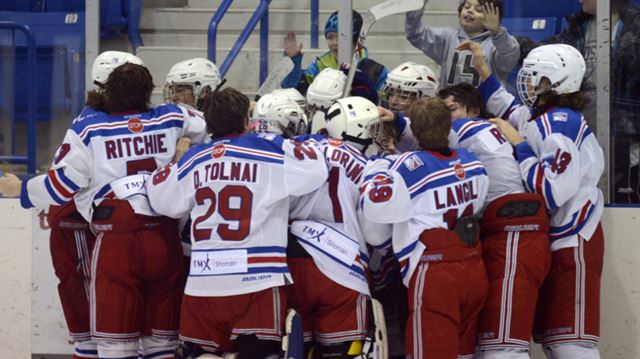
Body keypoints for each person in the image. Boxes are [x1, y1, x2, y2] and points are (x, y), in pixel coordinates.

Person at [0, 62, 210, 359]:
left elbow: (61, 186)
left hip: (117, 241)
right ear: (149, 93)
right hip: (165, 238)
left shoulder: (89, 127)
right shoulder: (172, 117)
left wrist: (20, 189)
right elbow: (216, 129)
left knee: (114, 346)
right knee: (161, 346)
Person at [145, 88, 328, 358]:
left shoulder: (194, 158)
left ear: (209, 124)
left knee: (199, 354)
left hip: (203, 283)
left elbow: (161, 199)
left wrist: (175, 160)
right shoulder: (270, 149)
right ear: (246, 121)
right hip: (258, 281)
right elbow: (317, 169)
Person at [473, 41, 605, 358]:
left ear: (554, 81)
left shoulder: (561, 125)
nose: (528, 82)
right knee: (555, 339)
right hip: (558, 238)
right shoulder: (544, 116)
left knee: (570, 343)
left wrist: (519, 145)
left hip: (575, 238)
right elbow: (507, 108)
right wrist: (483, 69)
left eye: (534, 77)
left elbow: (551, 191)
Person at [360, 96, 490, 358]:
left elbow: (374, 230)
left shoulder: (399, 169)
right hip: (474, 266)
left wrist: (380, 163)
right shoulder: (473, 161)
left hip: (435, 273)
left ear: (415, 131)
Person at [437, 78, 552, 359]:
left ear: (473, 111)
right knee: (493, 344)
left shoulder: (467, 127)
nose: (445, 119)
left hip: (515, 233)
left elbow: (426, 129)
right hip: (511, 232)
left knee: (503, 349)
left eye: (450, 110)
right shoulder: (492, 129)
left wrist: (399, 122)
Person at [517, 0, 640, 204]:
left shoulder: (635, 26)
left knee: (623, 196)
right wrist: (502, 36)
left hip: (624, 134)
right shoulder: (578, 28)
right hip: (586, 122)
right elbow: (542, 55)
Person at [405, 0, 519, 87]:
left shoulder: (497, 44)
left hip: (485, 112)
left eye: (478, 9)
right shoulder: (448, 38)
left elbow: (510, 56)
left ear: (493, 17)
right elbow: (415, 34)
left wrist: (497, 31)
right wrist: (416, 5)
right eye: (466, 6)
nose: (470, 11)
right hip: (450, 109)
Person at [281, 10, 389, 95]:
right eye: (330, 37)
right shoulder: (319, 66)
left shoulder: (377, 71)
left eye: (341, 37)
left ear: (356, 39)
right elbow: (292, 90)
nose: (334, 43)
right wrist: (294, 62)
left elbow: (386, 103)